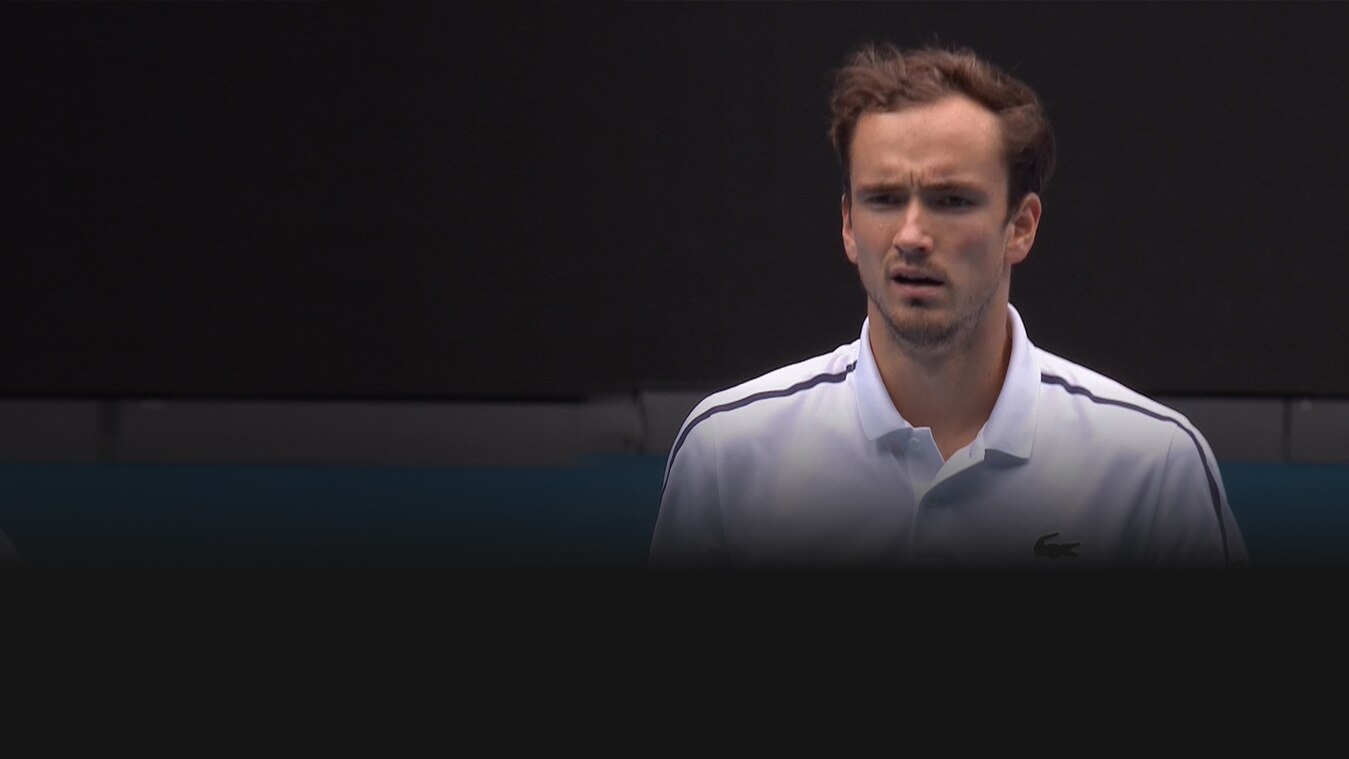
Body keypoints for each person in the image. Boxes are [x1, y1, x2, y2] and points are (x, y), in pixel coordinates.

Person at [649, 43, 1248, 569]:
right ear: (849, 226)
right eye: (884, 199)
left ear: (1021, 226)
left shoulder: (1154, 468)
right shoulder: (727, 454)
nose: (911, 235)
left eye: (952, 200)